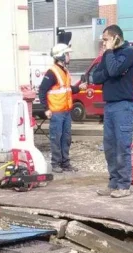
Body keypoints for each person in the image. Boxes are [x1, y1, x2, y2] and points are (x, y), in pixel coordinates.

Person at [88, 25, 133, 198]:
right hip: (109, 106)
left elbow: (114, 70)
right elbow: (95, 77)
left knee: (122, 146)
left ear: (116, 38)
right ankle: (113, 183)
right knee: (110, 147)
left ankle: (124, 185)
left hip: (123, 106)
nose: (104, 44)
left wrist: (109, 59)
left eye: (106, 40)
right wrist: (110, 68)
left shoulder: (129, 53)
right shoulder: (108, 56)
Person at [38, 43, 85, 174]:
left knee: (66, 138)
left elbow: (67, 89)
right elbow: (42, 91)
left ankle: (65, 163)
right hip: (56, 112)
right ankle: (56, 163)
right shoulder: (52, 72)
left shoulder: (64, 71)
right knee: (56, 138)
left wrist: (79, 88)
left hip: (66, 112)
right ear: (61, 56)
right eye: (67, 54)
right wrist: (46, 109)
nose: (69, 56)